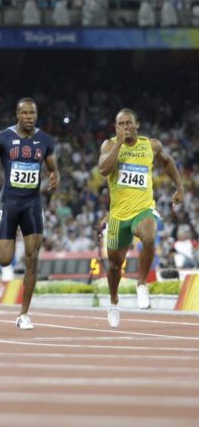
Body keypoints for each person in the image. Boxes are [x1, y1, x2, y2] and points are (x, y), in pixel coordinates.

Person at [0, 98, 59, 330]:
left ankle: (24, 314)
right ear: (17, 114)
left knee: (32, 258)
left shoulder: (45, 140)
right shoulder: (4, 137)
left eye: (33, 113)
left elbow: (53, 168)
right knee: (5, 259)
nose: (29, 117)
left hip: (32, 204)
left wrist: (54, 177)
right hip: (9, 204)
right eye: (25, 113)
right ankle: (12, 241)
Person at [97, 108, 184, 327]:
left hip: (143, 209)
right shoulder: (108, 145)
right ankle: (114, 301)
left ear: (137, 125)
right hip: (118, 216)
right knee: (115, 266)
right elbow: (103, 170)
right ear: (116, 128)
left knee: (148, 234)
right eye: (121, 124)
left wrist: (179, 187)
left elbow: (168, 162)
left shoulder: (151, 145)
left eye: (128, 123)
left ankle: (141, 283)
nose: (125, 127)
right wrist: (118, 144)